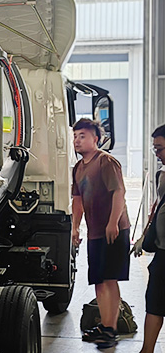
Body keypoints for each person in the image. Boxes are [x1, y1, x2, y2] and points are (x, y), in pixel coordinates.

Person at [71, 118, 131, 350]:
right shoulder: (78, 168)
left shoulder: (106, 161)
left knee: (109, 279)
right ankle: (105, 326)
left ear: (96, 139)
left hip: (113, 230)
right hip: (95, 232)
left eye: (82, 136)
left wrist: (113, 222)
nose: (77, 140)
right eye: (75, 136)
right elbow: (77, 200)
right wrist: (76, 227)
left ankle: (111, 330)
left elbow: (119, 192)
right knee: (98, 280)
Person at [137, 124, 165, 353]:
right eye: (154, 149)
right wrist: (145, 235)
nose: (157, 154)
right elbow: (156, 208)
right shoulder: (161, 175)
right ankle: (147, 350)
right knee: (154, 302)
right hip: (162, 252)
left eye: (160, 148)